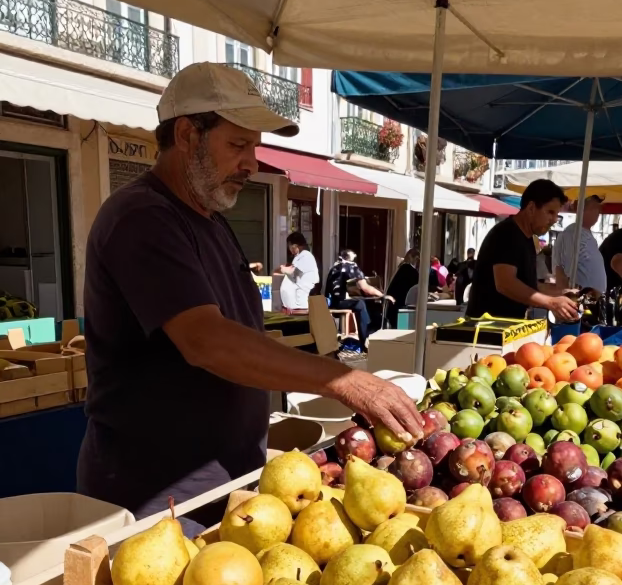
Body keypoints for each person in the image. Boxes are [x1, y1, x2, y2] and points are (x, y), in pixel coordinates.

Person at [77, 62, 422, 521]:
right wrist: (342, 380)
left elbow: (237, 332)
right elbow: (207, 340)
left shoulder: (211, 220)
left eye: (253, 147)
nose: (250, 163)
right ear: (185, 135)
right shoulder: (142, 218)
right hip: (160, 499)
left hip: (223, 486)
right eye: (238, 145)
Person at [465, 180, 578, 322]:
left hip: (505, 327)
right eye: (550, 212)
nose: (554, 220)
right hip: (485, 330)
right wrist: (550, 302)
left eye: (556, 214)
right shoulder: (506, 234)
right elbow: (506, 284)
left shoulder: (528, 239)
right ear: (531, 208)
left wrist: (563, 293)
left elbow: (530, 286)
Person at [324, 248, 389, 346]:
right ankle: (365, 340)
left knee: (361, 301)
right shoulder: (351, 266)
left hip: (331, 302)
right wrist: (383, 295)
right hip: (339, 302)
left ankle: (367, 333)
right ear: (352, 258)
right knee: (361, 304)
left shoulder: (335, 267)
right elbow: (365, 288)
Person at [552, 195, 606, 293]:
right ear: (581, 209)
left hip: (590, 299)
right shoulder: (573, 234)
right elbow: (566, 271)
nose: (598, 212)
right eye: (594, 208)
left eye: (599, 208)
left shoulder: (584, 233)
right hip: (579, 300)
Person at [276, 231, 319, 313]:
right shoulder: (299, 256)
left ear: (294, 245)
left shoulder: (306, 255)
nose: (289, 248)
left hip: (299, 305)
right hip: (293, 307)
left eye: (289, 245)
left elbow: (294, 271)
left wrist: (283, 269)